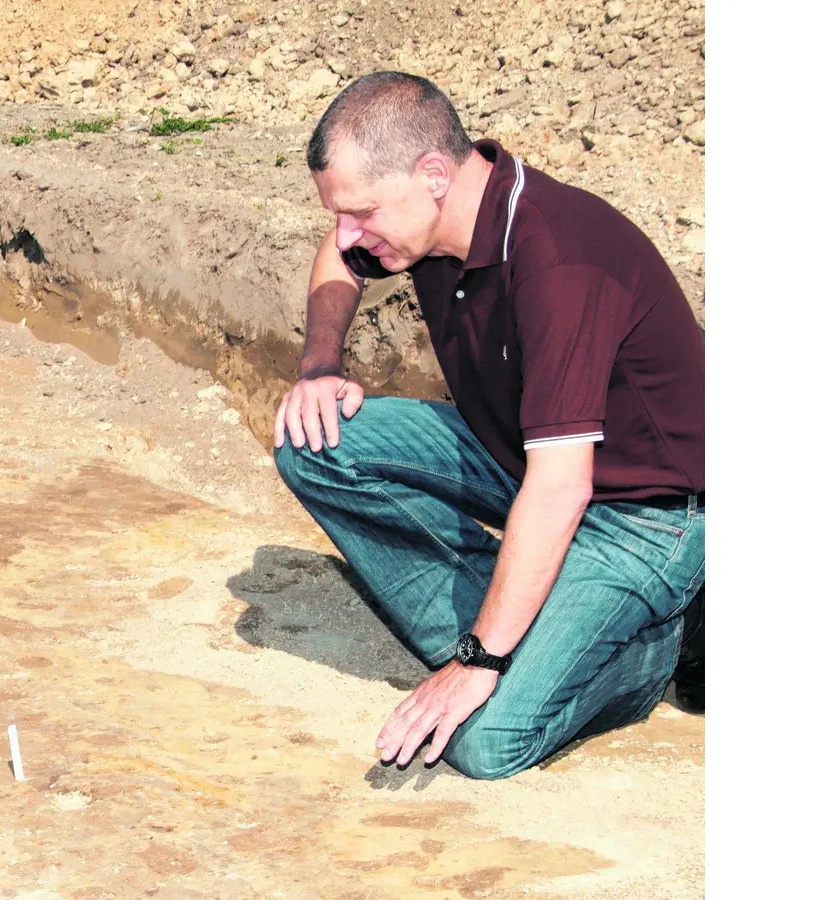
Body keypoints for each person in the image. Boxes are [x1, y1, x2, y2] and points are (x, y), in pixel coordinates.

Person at [270, 72, 704, 780]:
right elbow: (335, 254)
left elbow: (563, 489)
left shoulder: (561, 258)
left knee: (484, 738)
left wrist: (477, 661)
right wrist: (319, 365)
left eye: (361, 211)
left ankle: (654, 643)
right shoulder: (422, 222)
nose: (348, 232)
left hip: (645, 515)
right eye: (341, 212)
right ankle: (537, 621)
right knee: (314, 441)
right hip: (518, 455)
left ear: (434, 174)